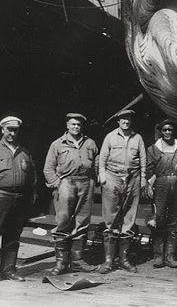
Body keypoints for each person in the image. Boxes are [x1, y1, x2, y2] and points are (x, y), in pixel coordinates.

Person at [43, 112, 99, 274]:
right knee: (63, 221)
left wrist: (93, 181)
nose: (76, 127)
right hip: (66, 183)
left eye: (79, 125)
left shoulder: (90, 143)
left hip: (85, 183)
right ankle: (61, 263)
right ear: (67, 125)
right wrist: (57, 184)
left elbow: (96, 163)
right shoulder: (57, 144)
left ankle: (77, 261)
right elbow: (48, 168)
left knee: (82, 221)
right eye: (73, 124)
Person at [98, 109, 147, 273]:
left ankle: (124, 260)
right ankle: (108, 261)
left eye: (128, 119)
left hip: (132, 179)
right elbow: (102, 157)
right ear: (118, 121)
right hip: (113, 178)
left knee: (129, 219)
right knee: (111, 218)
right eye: (123, 119)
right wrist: (102, 176)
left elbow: (143, 160)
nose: (126, 121)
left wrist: (143, 178)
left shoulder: (138, 138)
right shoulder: (110, 137)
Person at [0, 116, 36, 281]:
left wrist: (31, 194)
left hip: (19, 198)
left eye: (15, 130)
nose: (12, 133)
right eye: (9, 130)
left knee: (13, 234)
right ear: (2, 130)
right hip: (1, 196)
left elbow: (32, 176)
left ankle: (9, 270)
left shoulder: (24, 152)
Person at [146, 119, 177, 268]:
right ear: (160, 132)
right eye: (165, 130)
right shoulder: (153, 149)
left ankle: (170, 256)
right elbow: (149, 169)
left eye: (170, 130)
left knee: (175, 220)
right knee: (158, 218)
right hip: (161, 185)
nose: (168, 132)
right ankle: (158, 256)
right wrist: (149, 184)